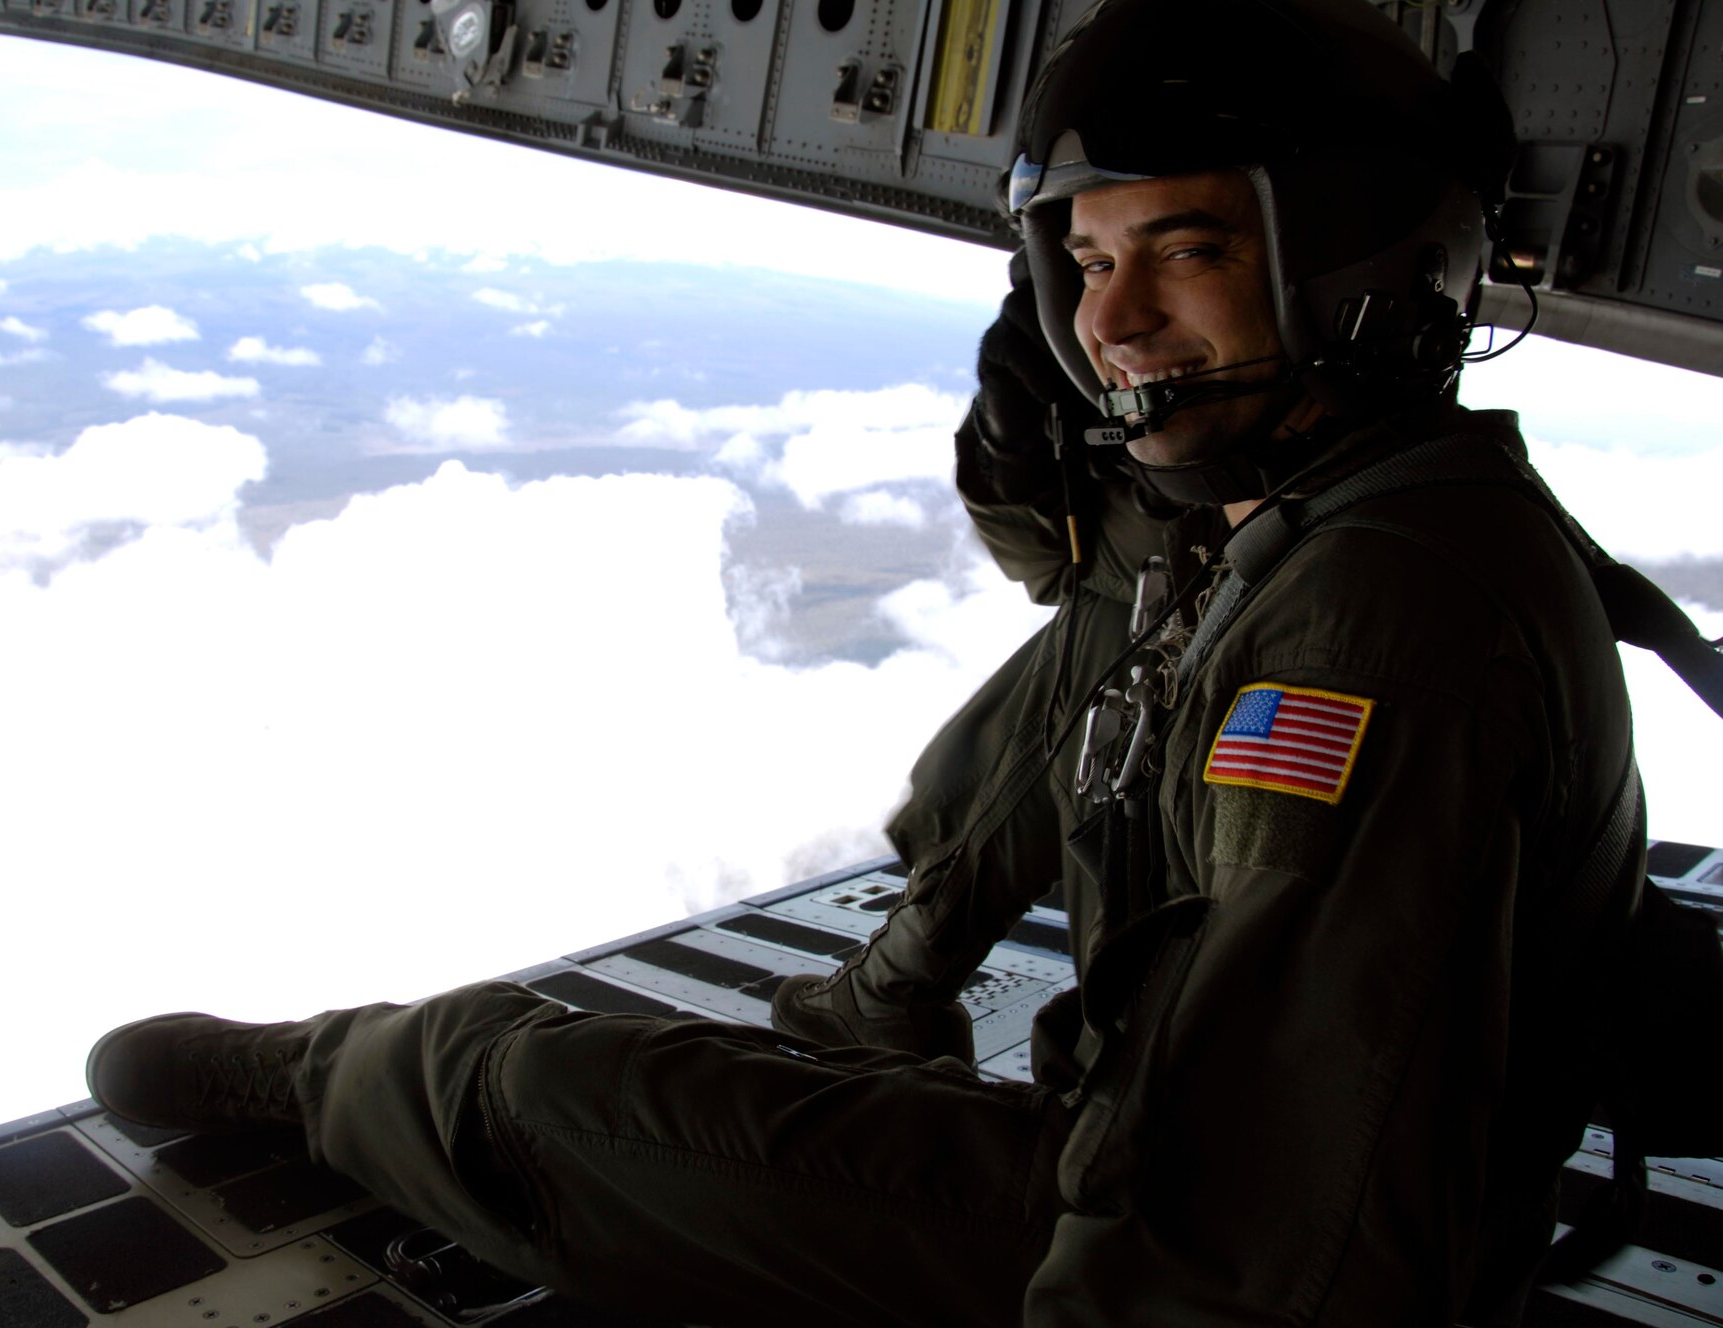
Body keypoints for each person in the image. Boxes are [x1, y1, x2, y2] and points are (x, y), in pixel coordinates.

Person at [86, 1, 1650, 1322]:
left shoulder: (1366, 631)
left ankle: (344, 1084)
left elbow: (1244, 1260)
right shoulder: (1353, 525)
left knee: (567, 1097)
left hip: (1183, 1238)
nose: (1114, 321)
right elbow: (1083, 599)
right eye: (1088, 262)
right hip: (1192, 1157)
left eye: (1187, 249)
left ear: (1361, 267)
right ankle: (856, 1008)